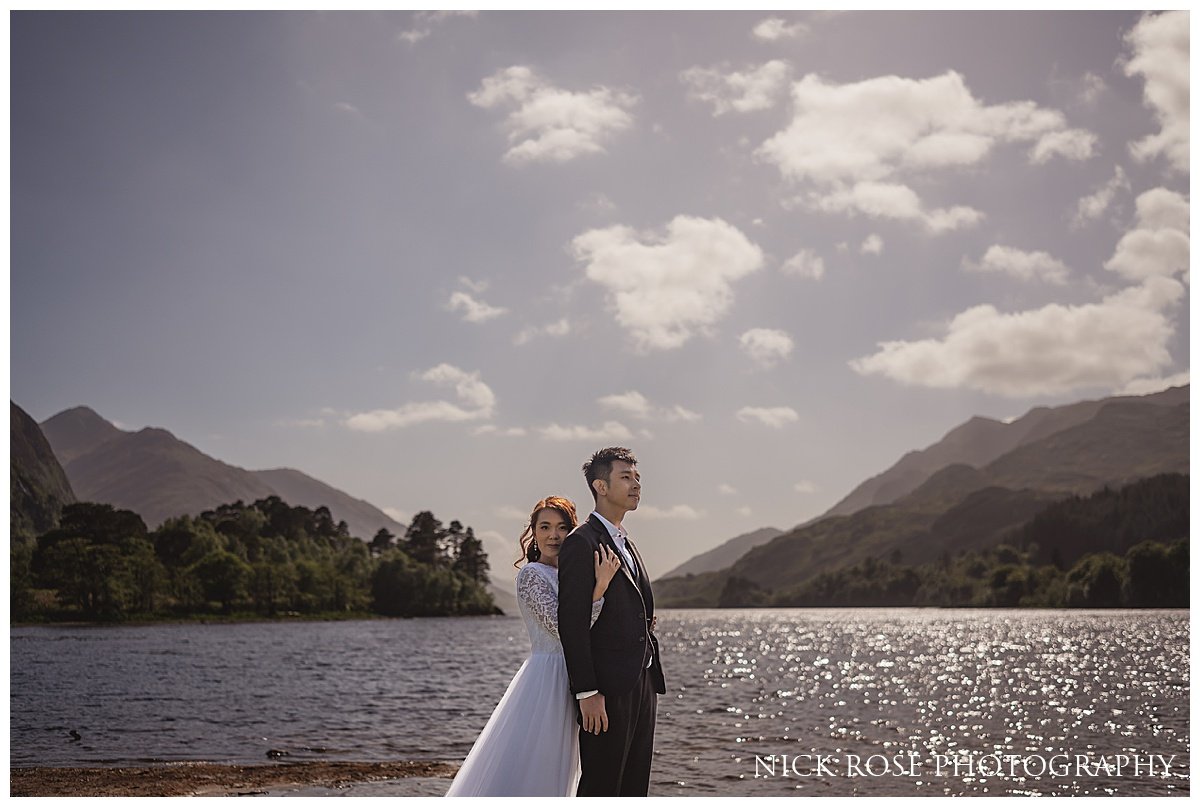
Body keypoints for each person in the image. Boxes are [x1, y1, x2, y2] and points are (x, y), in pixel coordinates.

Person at [445, 496, 622, 797]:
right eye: (545, 527)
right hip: (548, 678)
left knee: (566, 763)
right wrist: (601, 588)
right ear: (534, 532)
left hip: (578, 675)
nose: (554, 535)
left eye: (562, 527)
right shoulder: (532, 575)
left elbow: (593, 629)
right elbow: (562, 628)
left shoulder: (574, 575)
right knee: (540, 760)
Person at [558, 447, 666, 797]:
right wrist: (587, 692)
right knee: (602, 786)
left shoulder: (627, 543)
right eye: (625, 477)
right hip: (605, 689)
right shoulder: (580, 542)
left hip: (642, 682)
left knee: (635, 786)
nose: (636, 484)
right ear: (600, 487)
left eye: (637, 478)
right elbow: (571, 624)